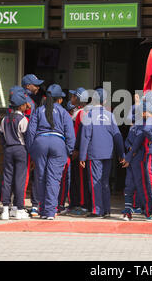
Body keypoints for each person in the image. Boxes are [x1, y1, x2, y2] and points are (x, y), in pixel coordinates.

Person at [26, 84, 75, 220]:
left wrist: (31, 150)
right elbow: (70, 134)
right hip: (58, 144)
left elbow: (30, 132)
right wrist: (68, 151)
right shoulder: (64, 112)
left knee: (41, 177)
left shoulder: (38, 110)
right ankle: (50, 212)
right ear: (59, 99)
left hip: (40, 143)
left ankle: (41, 209)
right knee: (54, 179)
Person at [79, 88, 125, 218]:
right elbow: (117, 136)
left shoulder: (88, 115)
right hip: (108, 154)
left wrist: (82, 156)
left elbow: (85, 136)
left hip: (94, 154)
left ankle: (97, 210)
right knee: (105, 182)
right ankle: (106, 209)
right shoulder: (110, 115)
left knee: (95, 181)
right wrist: (122, 154)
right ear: (105, 101)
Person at [121, 100, 152, 221]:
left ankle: (147, 211)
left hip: (140, 159)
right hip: (132, 159)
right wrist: (129, 151)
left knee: (142, 186)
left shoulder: (147, 125)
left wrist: (128, 157)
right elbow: (128, 142)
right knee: (129, 184)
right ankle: (128, 210)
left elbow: (138, 144)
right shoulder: (135, 125)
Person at [0, 91, 30, 220]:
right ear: (21, 106)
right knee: (19, 180)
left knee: (7, 178)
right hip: (20, 149)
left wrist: (5, 145)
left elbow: (1, 134)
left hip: (8, 149)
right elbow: (27, 137)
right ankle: (19, 209)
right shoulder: (23, 119)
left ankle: (5, 209)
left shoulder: (4, 119)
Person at [21, 75, 45, 217]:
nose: (37, 87)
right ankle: (24, 205)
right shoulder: (25, 101)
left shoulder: (24, 100)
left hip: (25, 142)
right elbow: (30, 127)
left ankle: (28, 204)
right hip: (26, 143)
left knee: (31, 175)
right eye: (35, 85)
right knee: (27, 175)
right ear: (28, 86)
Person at [68, 87, 92, 216]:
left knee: (82, 180)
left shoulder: (82, 113)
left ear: (77, 98)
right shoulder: (78, 112)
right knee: (77, 179)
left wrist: (77, 149)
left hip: (81, 151)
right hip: (79, 150)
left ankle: (83, 205)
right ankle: (77, 203)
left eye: (73, 96)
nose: (71, 98)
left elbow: (80, 134)